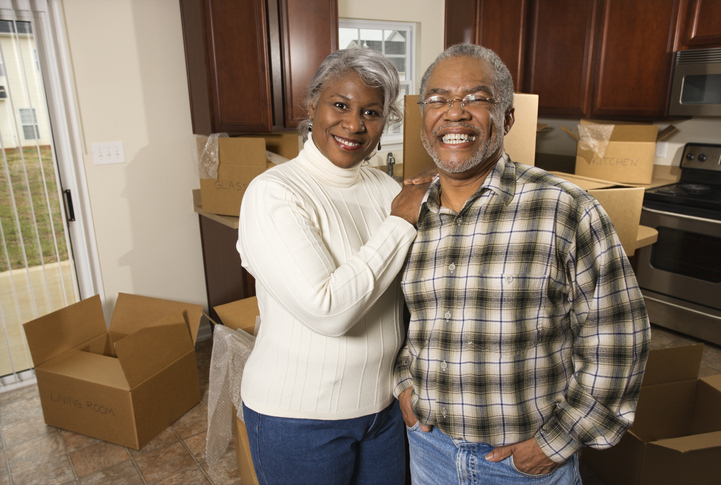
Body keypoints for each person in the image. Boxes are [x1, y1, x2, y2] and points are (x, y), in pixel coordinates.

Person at [394, 43, 651, 484]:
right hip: (429, 449)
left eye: (476, 98)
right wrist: (404, 385)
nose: (454, 113)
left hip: (521, 466)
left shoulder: (565, 209)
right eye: (438, 100)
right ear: (424, 118)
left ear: (507, 117)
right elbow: (406, 318)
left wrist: (556, 443)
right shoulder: (407, 212)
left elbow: (619, 338)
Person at [236, 47, 426, 485]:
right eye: (340, 105)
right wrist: (399, 221)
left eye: (372, 112)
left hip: (383, 410)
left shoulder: (384, 187)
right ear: (312, 106)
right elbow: (329, 309)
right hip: (298, 419)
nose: (354, 124)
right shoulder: (274, 193)